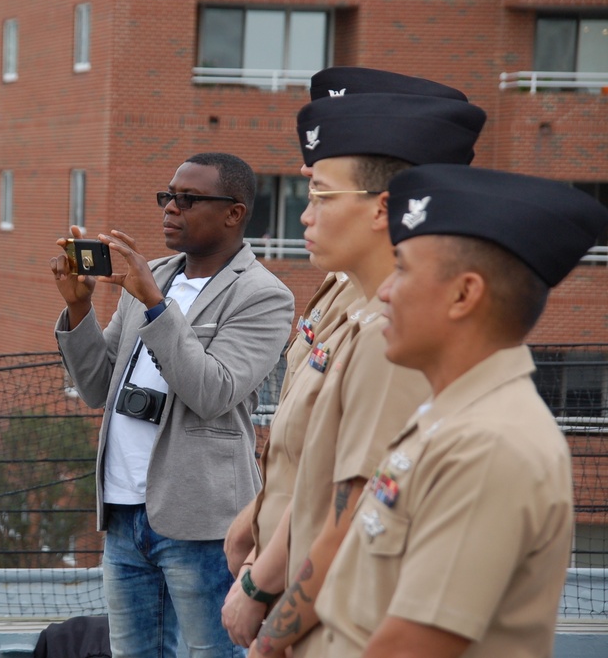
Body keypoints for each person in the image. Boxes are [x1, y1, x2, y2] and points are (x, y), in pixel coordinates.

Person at [222, 71, 485, 655]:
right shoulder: (365, 303)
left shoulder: (393, 333)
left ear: (382, 208)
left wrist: (270, 619)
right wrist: (254, 528)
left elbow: (357, 504)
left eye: (320, 195)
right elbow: (313, 462)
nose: (304, 216)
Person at [315, 164, 608, 657]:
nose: (384, 291)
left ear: (464, 294)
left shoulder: (491, 444)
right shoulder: (450, 413)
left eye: (402, 268)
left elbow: (410, 647)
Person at [51, 152, 295, 658]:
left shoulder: (263, 295)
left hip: (202, 518)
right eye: (168, 197)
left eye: (189, 199)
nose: (171, 209)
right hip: (122, 513)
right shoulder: (153, 275)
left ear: (234, 213)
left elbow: (214, 393)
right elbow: (97, 386)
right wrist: (78, 307)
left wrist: (158, 306)